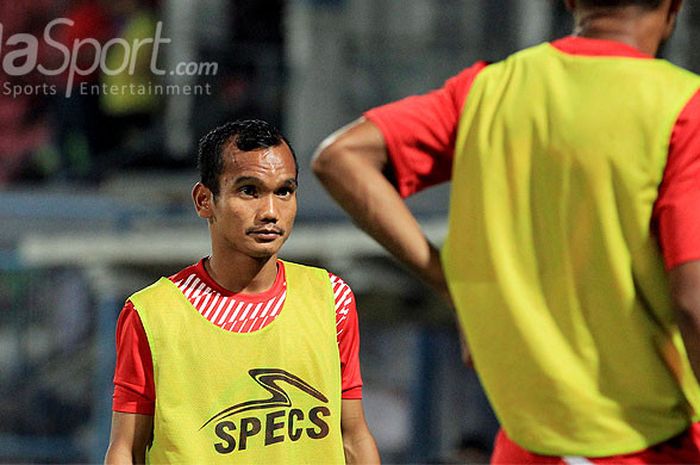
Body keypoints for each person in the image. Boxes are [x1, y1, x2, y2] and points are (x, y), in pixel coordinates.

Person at [312, 0, 700, 463]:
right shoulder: (683, 108)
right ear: (674, 6)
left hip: (526, 446)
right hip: (655, 445)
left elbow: (339, 157)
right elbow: (693, 301)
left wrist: (452, 284)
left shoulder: (490, 90)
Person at [104, 119, 380, 464]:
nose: (270, 211)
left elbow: (352, 436)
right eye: (249, 190)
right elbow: (125, 449)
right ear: (204, 200)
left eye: (284, 191)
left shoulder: (332, 299)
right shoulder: (152, 314)